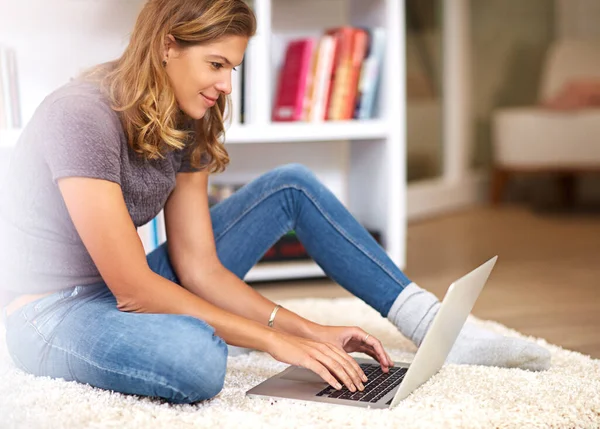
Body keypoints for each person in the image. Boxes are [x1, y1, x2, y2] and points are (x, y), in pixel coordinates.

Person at [0, 0, 550, 405]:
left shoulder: (187, 116)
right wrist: (274, 341)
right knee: (195, 359)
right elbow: (136, 290)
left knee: (289, 184)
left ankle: (433, 326)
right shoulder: (82, 115)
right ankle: (210, 336)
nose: (225, 84)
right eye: (216, 64)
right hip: (50, 309)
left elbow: (198, 267)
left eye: (232, 69)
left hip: (119, 286)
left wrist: (306, 331)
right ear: (167, 44)